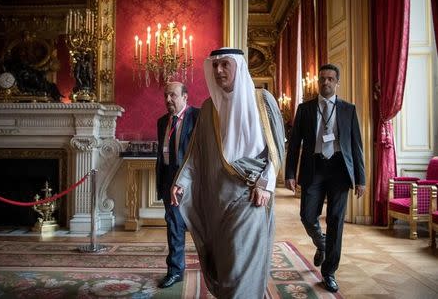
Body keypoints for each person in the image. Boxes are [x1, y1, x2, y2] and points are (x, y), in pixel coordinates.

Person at [170, 48, 285, 298]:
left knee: (242, 261)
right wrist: (182, 180)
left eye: (225, 65)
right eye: (215, 66)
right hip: (218, 197)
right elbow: (197, 153)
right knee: (225, 259)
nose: (219, 70)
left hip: (252, 193)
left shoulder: (263, 100)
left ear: (238, 67)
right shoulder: (210, 108)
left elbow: (276, 149)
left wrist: (265, 184)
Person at [285, 64, 365, 293]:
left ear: (337, 82)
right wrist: (290, 173)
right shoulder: (305, 109)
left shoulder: (349, 109)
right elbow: (295, 144)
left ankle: (329, 272)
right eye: (322, 79)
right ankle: (322, 244)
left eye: (330, 79)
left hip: (340, 169)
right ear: (318, 82)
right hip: (314, 168)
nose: (326, 82)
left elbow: (356, 145)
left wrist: (361, 178)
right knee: (307, 215)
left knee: (336, 221)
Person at [155, 81, 199, 288]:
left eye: (173, 95)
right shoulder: (162, 121)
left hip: (192, 180)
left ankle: (215, 269)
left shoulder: (198, 117)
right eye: (166, 95)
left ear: (185, 97)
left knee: (202, 228)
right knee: (174, 226)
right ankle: (175, 271)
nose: (168, 99)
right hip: (168, 178)